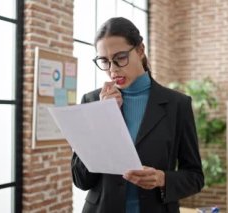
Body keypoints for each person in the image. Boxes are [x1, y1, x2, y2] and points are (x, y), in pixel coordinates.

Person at [71, 17, 204, 213]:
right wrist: (103, 117)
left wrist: (162, 179)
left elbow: (195, 177)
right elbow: (81, 179)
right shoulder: (92, 101)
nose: (113, 69)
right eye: (104, 61)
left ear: (140, 50)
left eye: (120, 58)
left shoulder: (178, 104)